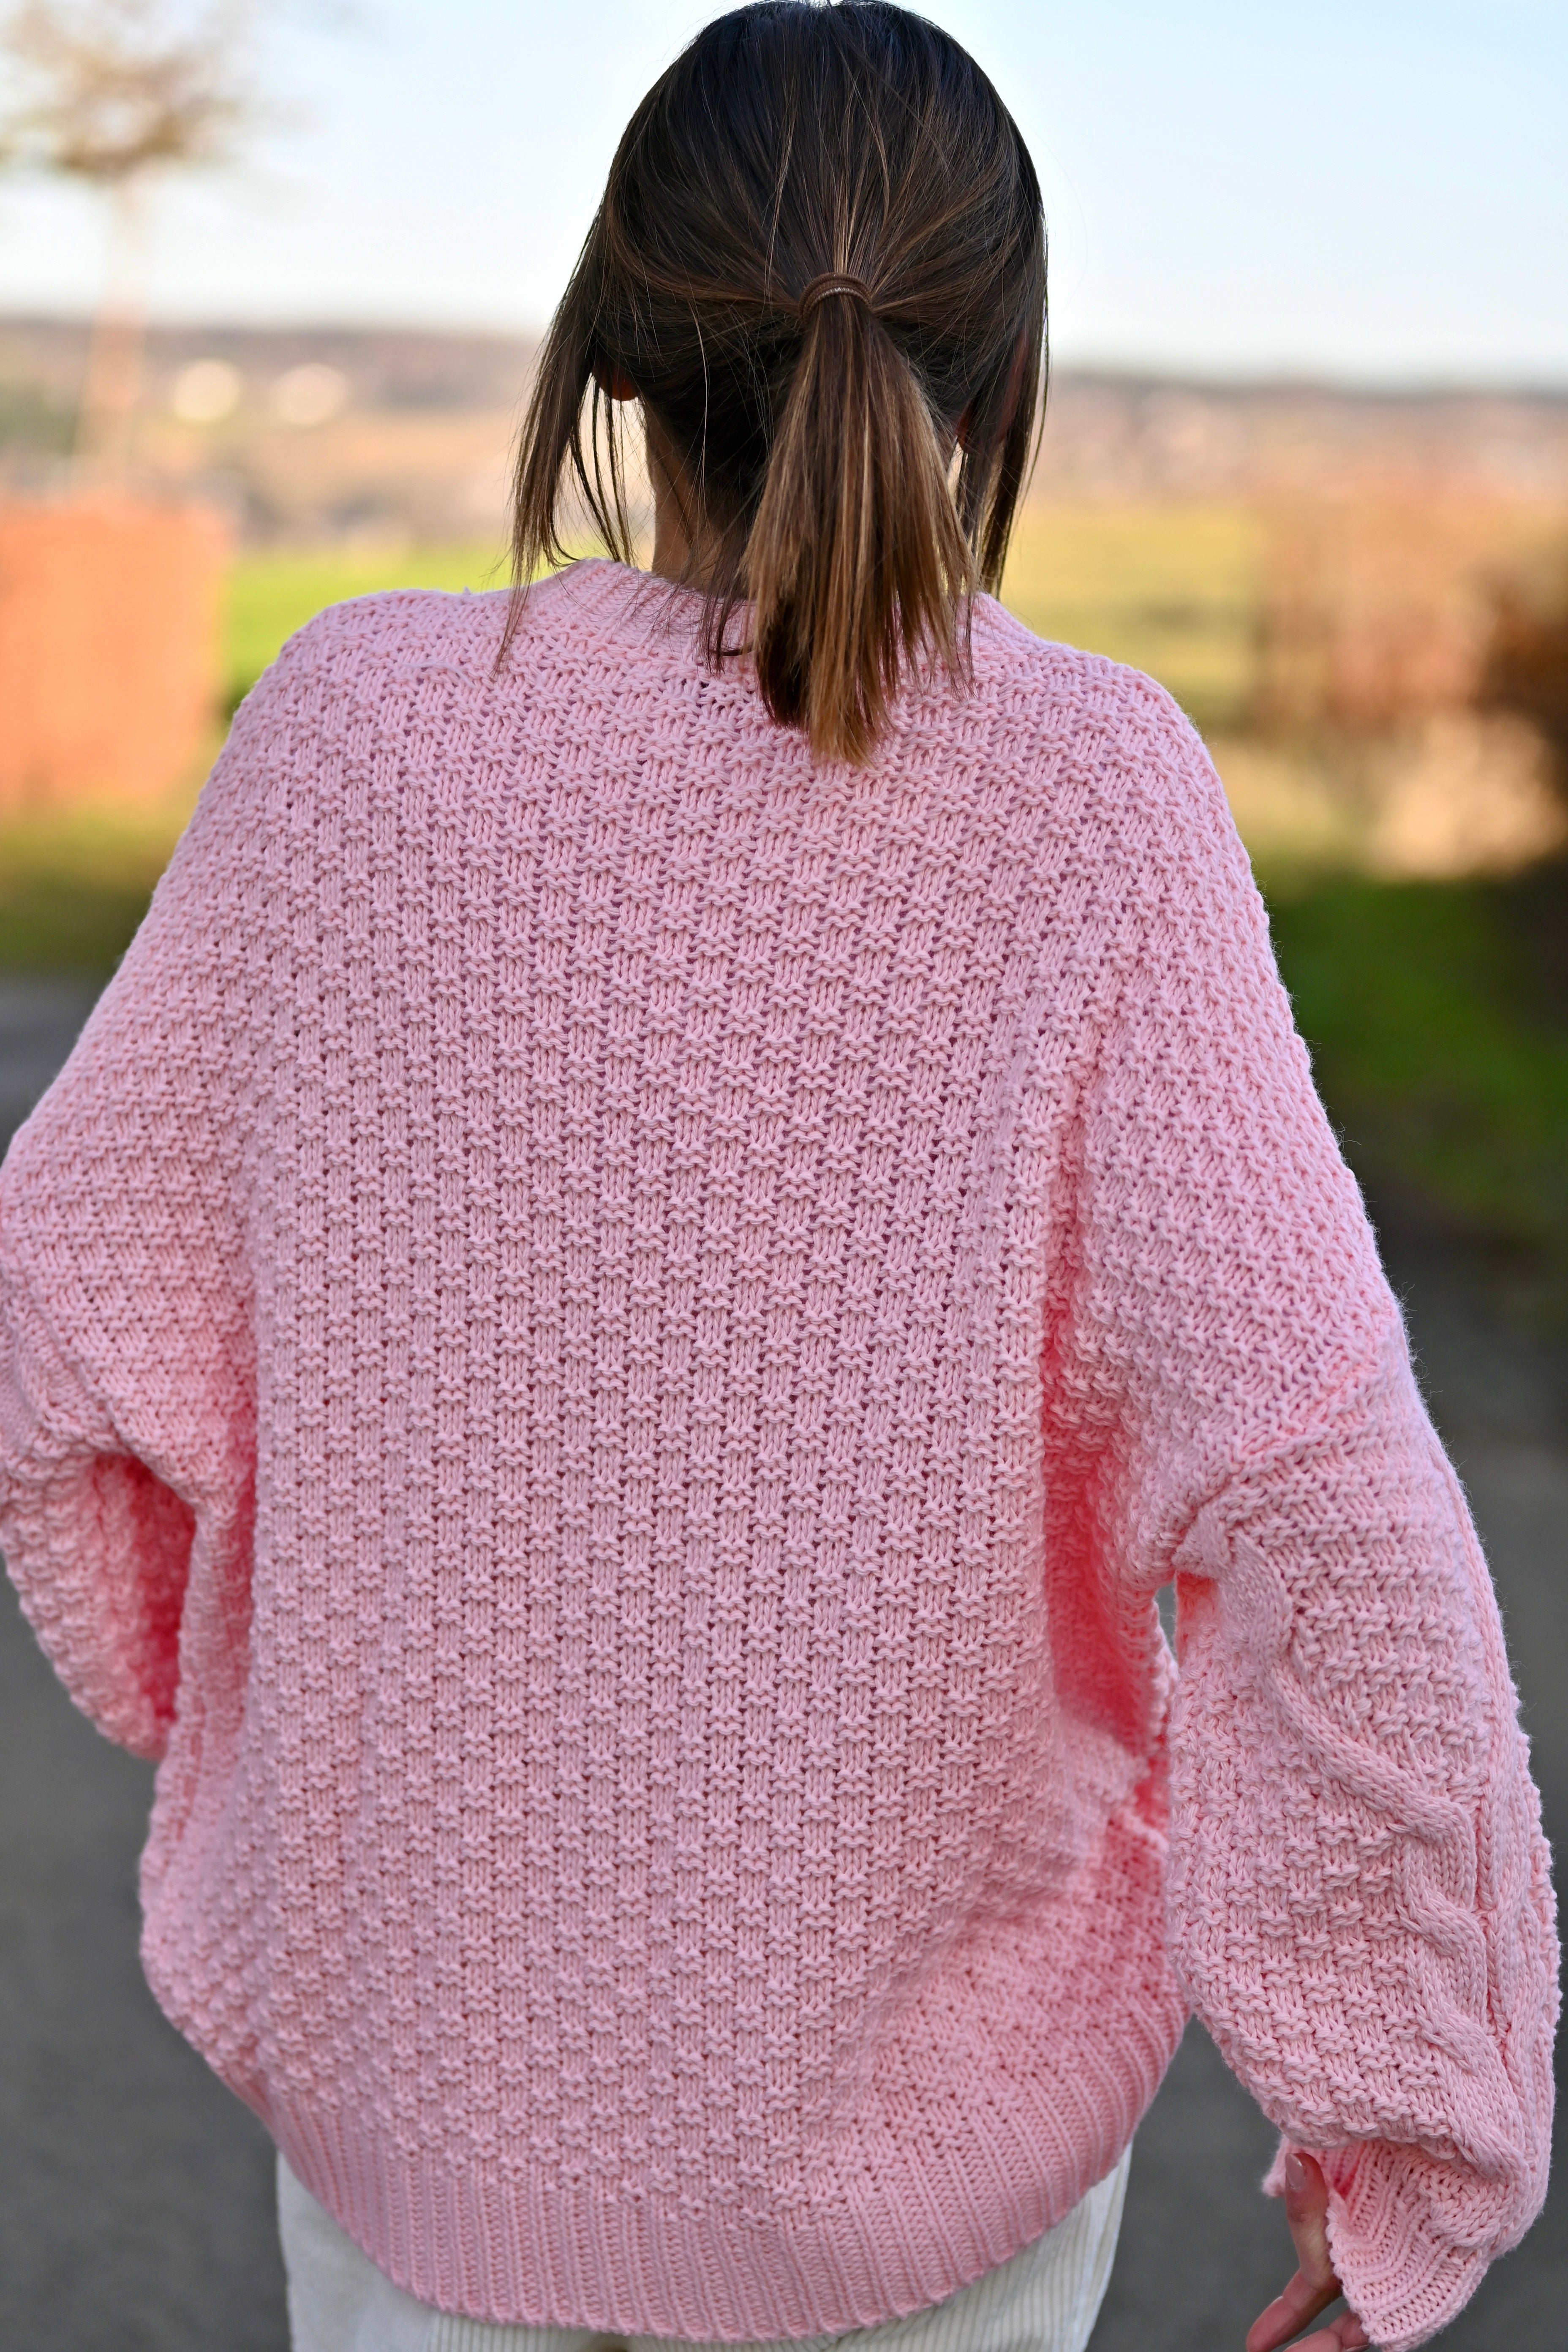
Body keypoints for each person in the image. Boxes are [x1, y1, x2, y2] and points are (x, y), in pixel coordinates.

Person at [0, 7, 1554, 2350]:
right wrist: (1411, 2124)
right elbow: (1317, 1487)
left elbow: (74, 1318)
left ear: (616, 347)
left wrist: (253, 1702)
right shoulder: (1092, 801)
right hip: (918, 2193)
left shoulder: (348, 738)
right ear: (998, 379)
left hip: (421, 2109)